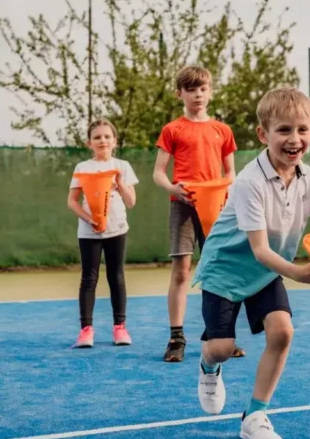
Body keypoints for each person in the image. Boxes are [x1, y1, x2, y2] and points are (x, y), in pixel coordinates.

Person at [192, 86, 310, 439]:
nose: (295, 139)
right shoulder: (249, 182)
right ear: (264, 134)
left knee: (282, 333)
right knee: (223, 348)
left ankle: (254, 417)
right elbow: (259, 249)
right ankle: (208, 366)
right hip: (226, 271)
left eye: (303, 130)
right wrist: (301, 273)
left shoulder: (309, 178)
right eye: (284, 130)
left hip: (266, 272)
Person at [153, 65, 246, 362]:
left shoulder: (223, 130)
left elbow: (231, 173)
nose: (198, 94)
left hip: (217, 208)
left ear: (210, 91)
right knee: (181, 272)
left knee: (217, 272)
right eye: (192, 89)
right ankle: (176, 338)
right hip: (182, 205)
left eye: (203, 89)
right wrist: (173, 187)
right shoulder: (172, 129)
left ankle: (219, 335)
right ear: (180, 93)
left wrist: (225, 195)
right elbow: (158, 173)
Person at [67, 119, 139, 348]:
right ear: (89, 143)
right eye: (97, 137)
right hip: (89, 233)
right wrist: (90, 220)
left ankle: (120, 328)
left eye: (107, 136)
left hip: (117, 230)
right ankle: (86, 331)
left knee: (116, 277)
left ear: (114, 141)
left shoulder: (123, 166)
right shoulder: (82, 168)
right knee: (89, 278)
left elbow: (131, 202)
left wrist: (119, 182)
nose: (103, 140)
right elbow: (72, 201)